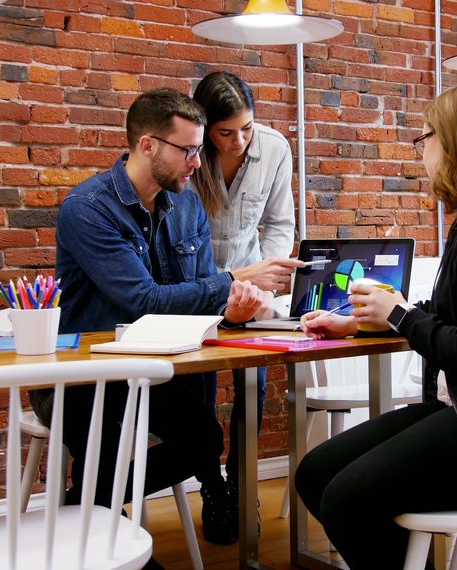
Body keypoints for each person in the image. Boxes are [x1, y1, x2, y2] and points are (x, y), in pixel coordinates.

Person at [32, 87, 296, 547]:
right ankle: (95, 516)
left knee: (203, 441)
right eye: (189, 150)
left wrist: (230, 308)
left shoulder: (188, 203)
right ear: (148, 145)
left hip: (152, 370)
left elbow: (195, 296)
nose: (198, 162)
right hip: (82, 376)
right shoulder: (88, 209)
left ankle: (84, 508)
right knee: (106, 449)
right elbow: (143, 300)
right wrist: (230, 277)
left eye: (199, 149)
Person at [292, 81, 457, 569]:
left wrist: (397, 313)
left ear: (456, 141)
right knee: (315, 473)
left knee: (346, 501)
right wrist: (360, 324)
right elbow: (446, 313)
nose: (421, 152)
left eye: (425, 139)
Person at [191, 70, 298, 527]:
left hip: (253, 284)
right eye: (226, 132)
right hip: (195, 284)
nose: (239, 141)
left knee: (252, 388)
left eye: (247, 128)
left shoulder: (274, 148)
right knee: (198, 394)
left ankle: (240, 485)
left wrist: (267, 277)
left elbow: (279, 222)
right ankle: (212, 488)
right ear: (205, 127)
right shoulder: (189, 154)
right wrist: (216, 286)